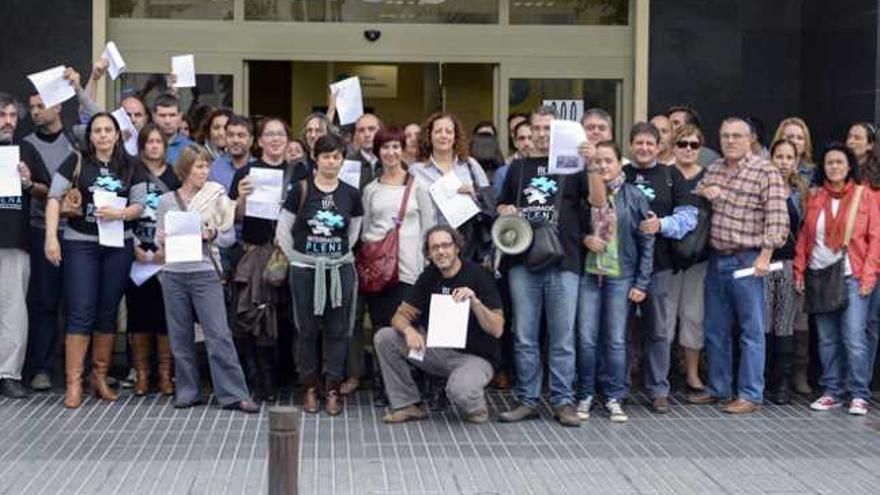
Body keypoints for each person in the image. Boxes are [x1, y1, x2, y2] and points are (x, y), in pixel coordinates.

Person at [45, 112, 147, 408]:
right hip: (81, 244)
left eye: (108, 130)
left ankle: (99, 377)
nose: (102, 135)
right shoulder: (76, 161)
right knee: (80, 310)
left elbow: (142, 203)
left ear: (118, 135)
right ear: (89, 136)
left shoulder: (131, 165)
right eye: (97, 130)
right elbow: (53, 198)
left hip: (119, 244)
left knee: (107, 310)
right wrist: (51, 237)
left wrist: (122, 213)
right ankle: (74, 383)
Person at [689, 117, 789, 414]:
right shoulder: (716, 168)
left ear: (750, 140)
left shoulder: (765, 171)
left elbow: (777, 217)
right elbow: (695, 194)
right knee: (715, 329)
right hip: (717, 257)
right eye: (725, 136)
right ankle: (719, 388)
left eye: (736, 136)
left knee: (751, 330)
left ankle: (750, 394)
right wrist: (703, 191)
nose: (730, 141)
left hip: (748, 259)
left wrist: (765, 256)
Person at [496, 106, 585, 427]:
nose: (543, 134)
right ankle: (528, 399)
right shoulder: (517, 168)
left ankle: (563, 401)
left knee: (562, 337)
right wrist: (506, 208)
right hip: (522, 260)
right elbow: (501, 206)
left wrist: (591, 165)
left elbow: (599, 202)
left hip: (565, 262)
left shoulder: (574, 166)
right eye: (538, 128)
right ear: (529, 131)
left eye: (549, 129)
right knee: (524, 335)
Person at [154, 144, 258, 413]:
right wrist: (162, 238)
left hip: (204, 272)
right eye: (199, 166)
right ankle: (187, 391)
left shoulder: (216, 197)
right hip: (174, 273)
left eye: (206, 166)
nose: (204, 171)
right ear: (185, 169)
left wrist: (210, 234)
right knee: (180, 335)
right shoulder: (167, 201)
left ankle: (234, 393)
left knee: (218, 334)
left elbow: (228, 236)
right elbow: (158, 238)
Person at [375, 225, 504, 424]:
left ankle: (476, 408)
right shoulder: (429, 276)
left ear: (457, 248)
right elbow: (399, 317)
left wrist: (475, 303)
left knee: (460, 390)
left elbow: (497, 329)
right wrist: (409, 330)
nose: (441, 251)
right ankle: (408, 405)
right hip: (436, 350)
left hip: (475, 358)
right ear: (429, 253)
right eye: (434, 247)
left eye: (446, 245)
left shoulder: (479, 275)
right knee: (385, 337)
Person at [276, 133, 363, 416]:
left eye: (336, 156)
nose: (331, 162)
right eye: (325, 156)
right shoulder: (300, 190)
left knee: (338, 330)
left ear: (342, 159)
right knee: (307, 331)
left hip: (339, 270)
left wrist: (334, 257)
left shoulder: (351, 194)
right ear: (315, 159)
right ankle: (310, 388)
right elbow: (283, 231)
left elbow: (353, 233)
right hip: (305, 270)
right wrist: (298, 261)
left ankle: (334, 389)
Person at [794, 144, 880, 416]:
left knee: (854, 336)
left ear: (849, 166)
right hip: (819, 274)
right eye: (829, 162)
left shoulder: (863, 195)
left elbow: (875, 238)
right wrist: (799, 271)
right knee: (827, 339)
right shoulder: (816, 196)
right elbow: (805, 238)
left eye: (839, 162)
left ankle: (858, 393)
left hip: (852, 275)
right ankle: (832, 391)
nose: (834, 167)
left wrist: (869, 274)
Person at [622, 122, 698, 413]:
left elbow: (689, 217)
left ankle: (658, 389)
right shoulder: (621, 174)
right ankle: (622, 386)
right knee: (623, 331)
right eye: (638, 143)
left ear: (658, 147)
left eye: (649, 144)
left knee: (658, 330)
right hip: (624, 266)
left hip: (661, 265)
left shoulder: (671, 175)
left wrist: (661, 225)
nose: (644, 148)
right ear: (631, 145)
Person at [576, 141, 653, 422]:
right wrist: (585, 239)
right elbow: (570, 229)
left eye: (608, 160)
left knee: (616, 340)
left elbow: (646, 241)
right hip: (588, 275)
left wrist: (641, 283)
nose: (603, 166)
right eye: (597, 161)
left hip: (621, 276)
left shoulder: (633, 195)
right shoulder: (584, 193)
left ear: (619, 163)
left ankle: (613, 396)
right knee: (585, 339)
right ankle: (585, 393)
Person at [356, 127, 436, 399]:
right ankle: (385, 385)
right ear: (378, 152)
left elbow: (430, 228)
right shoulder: (370, 190)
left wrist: (429, 267)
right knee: (382, 328)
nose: (390, 153)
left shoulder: (419, 187)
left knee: (409, 328)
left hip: (410, 271)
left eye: (395, 147)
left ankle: (412, 384)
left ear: (403, 150)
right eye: (385, 148)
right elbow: (365, 230)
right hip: (379, 271)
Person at [229, 117, 294, 401]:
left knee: (287, 316)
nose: (275, 139)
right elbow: (235, 218)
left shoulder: (300, 171)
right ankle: (263, 383)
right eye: (269, 134)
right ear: (260, 140)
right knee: (259, 317)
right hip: (256, 251)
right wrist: (242, 198)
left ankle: (287, 377)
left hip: (289, 253)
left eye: (280, 134)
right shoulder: (247, 171)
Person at [0, 92, 50, 398]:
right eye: (2, 115)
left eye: (12, 116)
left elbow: (48, 191)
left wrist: (30, 182)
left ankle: (8, 373)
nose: (7, 122)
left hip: (14, 239)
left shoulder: (26, 149)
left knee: (13, 308)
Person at [126, 124, 181, 396]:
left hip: (167, 257)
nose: (155, 146)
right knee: (138, 316)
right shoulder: (132, 174)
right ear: (142, 145)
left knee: (164, 316)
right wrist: (134, 245)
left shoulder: (175, 176)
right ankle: (143, 375)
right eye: (149, 141)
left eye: (159, 141)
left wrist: (167, 250)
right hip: (137, 254)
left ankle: (165, 375)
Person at [409, 112, 494, 265]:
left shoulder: (471, 166)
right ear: (429, 136)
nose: (443, 136)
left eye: (448, 131)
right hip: (432, 248)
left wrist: (474, 194)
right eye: (438, 131)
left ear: (455, 136)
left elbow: (489, 204)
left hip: (467, 246)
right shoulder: (416, 171)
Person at [666, 124, 710, 392]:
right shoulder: (664, 175)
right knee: (665, 317)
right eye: (682, 144)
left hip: (698, 257)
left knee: (694, 316)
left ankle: (692, 374)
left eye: (694, 144)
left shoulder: (709, 177)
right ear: (673, 147)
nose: (688, 149)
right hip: (667, 258)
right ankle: (661, 375)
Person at [208, 114, 255, 195]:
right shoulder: (213, 169)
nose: (235, 140)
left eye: (241, 136)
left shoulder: (259, 168)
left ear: (251, 140)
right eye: (230, 135)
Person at [493, 120, 532, 198]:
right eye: (521, 138)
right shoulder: (503, 173)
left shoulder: (549, 169)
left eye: (530, 138)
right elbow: (497, 205)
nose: (526, 143)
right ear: (515, 142)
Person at [153, 94, 194, 166]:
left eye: (172, 115)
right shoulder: (144, 146)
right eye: (162, 115)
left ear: (180, 116)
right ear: (154, 117)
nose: (167, 121)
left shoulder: (192, 149)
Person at [772, 117, 815, 185]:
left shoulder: (814, 173)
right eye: (790, 137)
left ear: (806, 143)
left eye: (800, 138)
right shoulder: (766, 169)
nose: (795, 141)